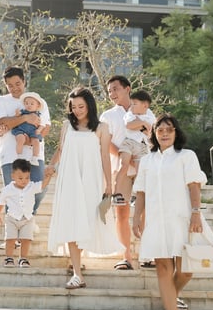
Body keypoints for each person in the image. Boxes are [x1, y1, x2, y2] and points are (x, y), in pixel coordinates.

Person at [132, 113, 213, 310]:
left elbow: (194, 185)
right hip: (157, 222)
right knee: (163, 269)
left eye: (169, 129)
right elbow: (141, 191)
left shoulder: (185, 156)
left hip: (183, 219)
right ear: (154, 134)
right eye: (160, 130)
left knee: (186, 269)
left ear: (176, 132)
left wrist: (196, 213)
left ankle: (172, 295)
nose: (165, 134)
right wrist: (136, 216)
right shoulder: (147, 160)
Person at [46, 86, 124, 289]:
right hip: (70, 180)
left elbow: (105, 156)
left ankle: (79, 264)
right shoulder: (66, 126)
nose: (78, 110)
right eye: (73, 107)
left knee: (88, 219)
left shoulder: (102, 127)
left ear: (89, 105)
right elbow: (61, 150)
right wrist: (51, 167)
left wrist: (110, 183)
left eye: (81, 106)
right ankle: (77, 273)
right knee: (72, 221)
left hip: (92, 180)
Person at [100, 75, 155, 270]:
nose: (112, 94)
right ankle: (126, 256)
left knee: (146, 211)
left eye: (115, 89)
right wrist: (127, 156)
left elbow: (152, 139)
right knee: (121, 211)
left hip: (143, 167)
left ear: (127, 89)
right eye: (109, 91)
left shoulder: (146, 112)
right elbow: (105, 143)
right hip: (120, 168)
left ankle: (148, 255)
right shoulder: (107, 116)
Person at [0, 66, 51, 215]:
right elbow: (1, 122)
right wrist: (25, 118)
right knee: (12, 194)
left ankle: (29, 220)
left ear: (24, 81)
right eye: (10, 85)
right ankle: (11, 234)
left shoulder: (39, 101)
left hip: (34, 154)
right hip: (11, 154)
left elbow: (45, 127)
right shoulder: (1, 101)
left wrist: (31, 141)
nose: (14, 88)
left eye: (17, 83)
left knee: (39, 190)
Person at [0, 158, 50, 267]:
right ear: (13, 176)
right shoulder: (7, 189)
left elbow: (42, 185)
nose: (24, 181)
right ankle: (9, 258)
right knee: (10, 239)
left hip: (27, 218)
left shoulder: (31, 186)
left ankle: (23, 258)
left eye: (27, 177)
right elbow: (1, 202)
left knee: (26, 239)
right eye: (20, 178)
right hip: (12, 218)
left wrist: (49, 176)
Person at [112, 90, 155, 206]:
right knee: (124, 165)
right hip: (129, 143)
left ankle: (135, 196)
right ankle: (116, 193)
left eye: (135, 104)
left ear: (145, 105)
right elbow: (129, 125)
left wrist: (140, 124)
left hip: (142, 146)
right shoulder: (130, 114)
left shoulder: (150, 115)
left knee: (139, 172)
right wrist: (143, 123)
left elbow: (150, 130)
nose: (132, 106)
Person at [11, 91, 45, 165]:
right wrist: (17, 114)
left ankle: (35, 158)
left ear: (37, 105)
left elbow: (42, 124)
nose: (29, 105)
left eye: (32, 104)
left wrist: (39, 130)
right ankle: (19, 156)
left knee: (36, 142)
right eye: (26, 103)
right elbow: (17, 119)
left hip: (32, 131)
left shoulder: (39, 115)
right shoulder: (23, 112)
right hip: (21, 129)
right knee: (20, 139)